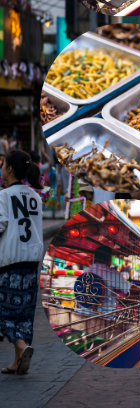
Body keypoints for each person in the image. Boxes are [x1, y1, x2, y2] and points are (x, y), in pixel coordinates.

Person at [0, 151, 42, 375]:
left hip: (10, 262)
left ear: (9, 169)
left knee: (4, 313)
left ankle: (22, 346)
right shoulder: (35, 197)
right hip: (31, 263)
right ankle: (18, 362)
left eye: (2, 164)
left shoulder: (4, 196)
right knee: (24, 315)